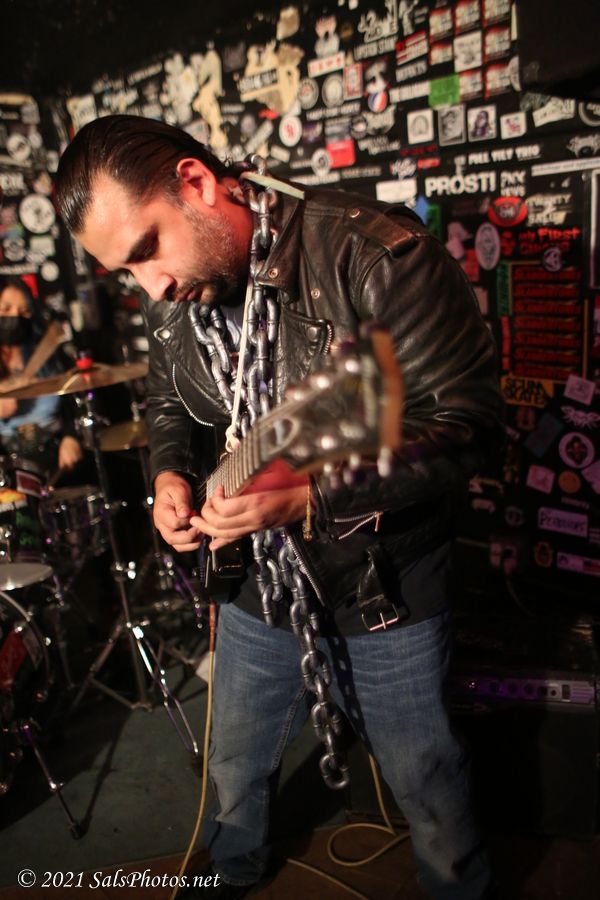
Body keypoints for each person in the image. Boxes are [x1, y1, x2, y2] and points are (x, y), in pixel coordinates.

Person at [55, 115, 504, 900]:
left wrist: (313, 494)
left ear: (198, 183)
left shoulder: (372, 254)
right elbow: (170, 402)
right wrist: (169, 475)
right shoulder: (174, 294)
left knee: (424, 775)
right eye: (127, 271)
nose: (151, 288)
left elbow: (469, 428)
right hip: (257, 580)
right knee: (236, 756)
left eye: (147, 249)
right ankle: (232, 872)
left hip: (383, 579)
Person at [0, 276, 82, 476]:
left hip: (56, 456)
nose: (15, 317)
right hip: (7, 466)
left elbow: (77, 398)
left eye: (24, 311)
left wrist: (72, 437)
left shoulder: (47, 352)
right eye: (6, 309)